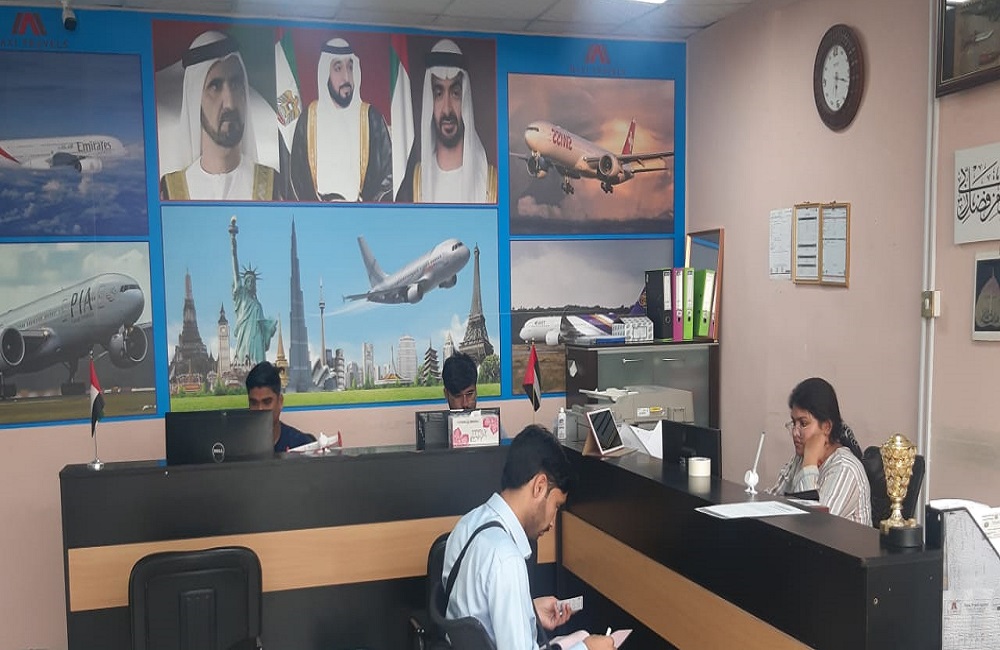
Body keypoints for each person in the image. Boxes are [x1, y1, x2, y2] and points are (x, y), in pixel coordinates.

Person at [443, 426, 614, 650]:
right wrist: (587, 649)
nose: (553, 522)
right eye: (556, 506)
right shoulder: (507, 559)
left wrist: (527, 610)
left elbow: (473, 611)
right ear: (539, 487)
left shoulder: (467, 524)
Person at [160, 31, 283, 201]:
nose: (230, 104)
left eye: (235, 84)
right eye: (215, 87)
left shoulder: (272, 187)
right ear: (195, 98)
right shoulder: (171, 193)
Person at [289, 37, 393, 203]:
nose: (346, 77)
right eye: (338, 68)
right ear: (325, 73)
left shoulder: (372, 119)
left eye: (350, 67)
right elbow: (297, 178)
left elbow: (387, 178)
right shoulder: (308, 120)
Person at [396, 38, 498, 203]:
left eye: (455, 93)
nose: (447, 109)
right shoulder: (413, 186)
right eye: (438, 94)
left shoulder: (490, 183)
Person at [767, 377, 872, 525]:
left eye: (803, 423)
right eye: (794, 423)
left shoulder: (845, 468)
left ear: (826, 427)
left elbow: (814, 526)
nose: (795, 432)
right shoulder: (800, 457)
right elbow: (772, 501)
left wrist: (809, 464)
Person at [245, 361, 315, 452]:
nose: (260, 409)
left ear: (280, 402)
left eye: (267, 402)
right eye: (254, 403)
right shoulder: (236, 445)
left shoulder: (302, 445)